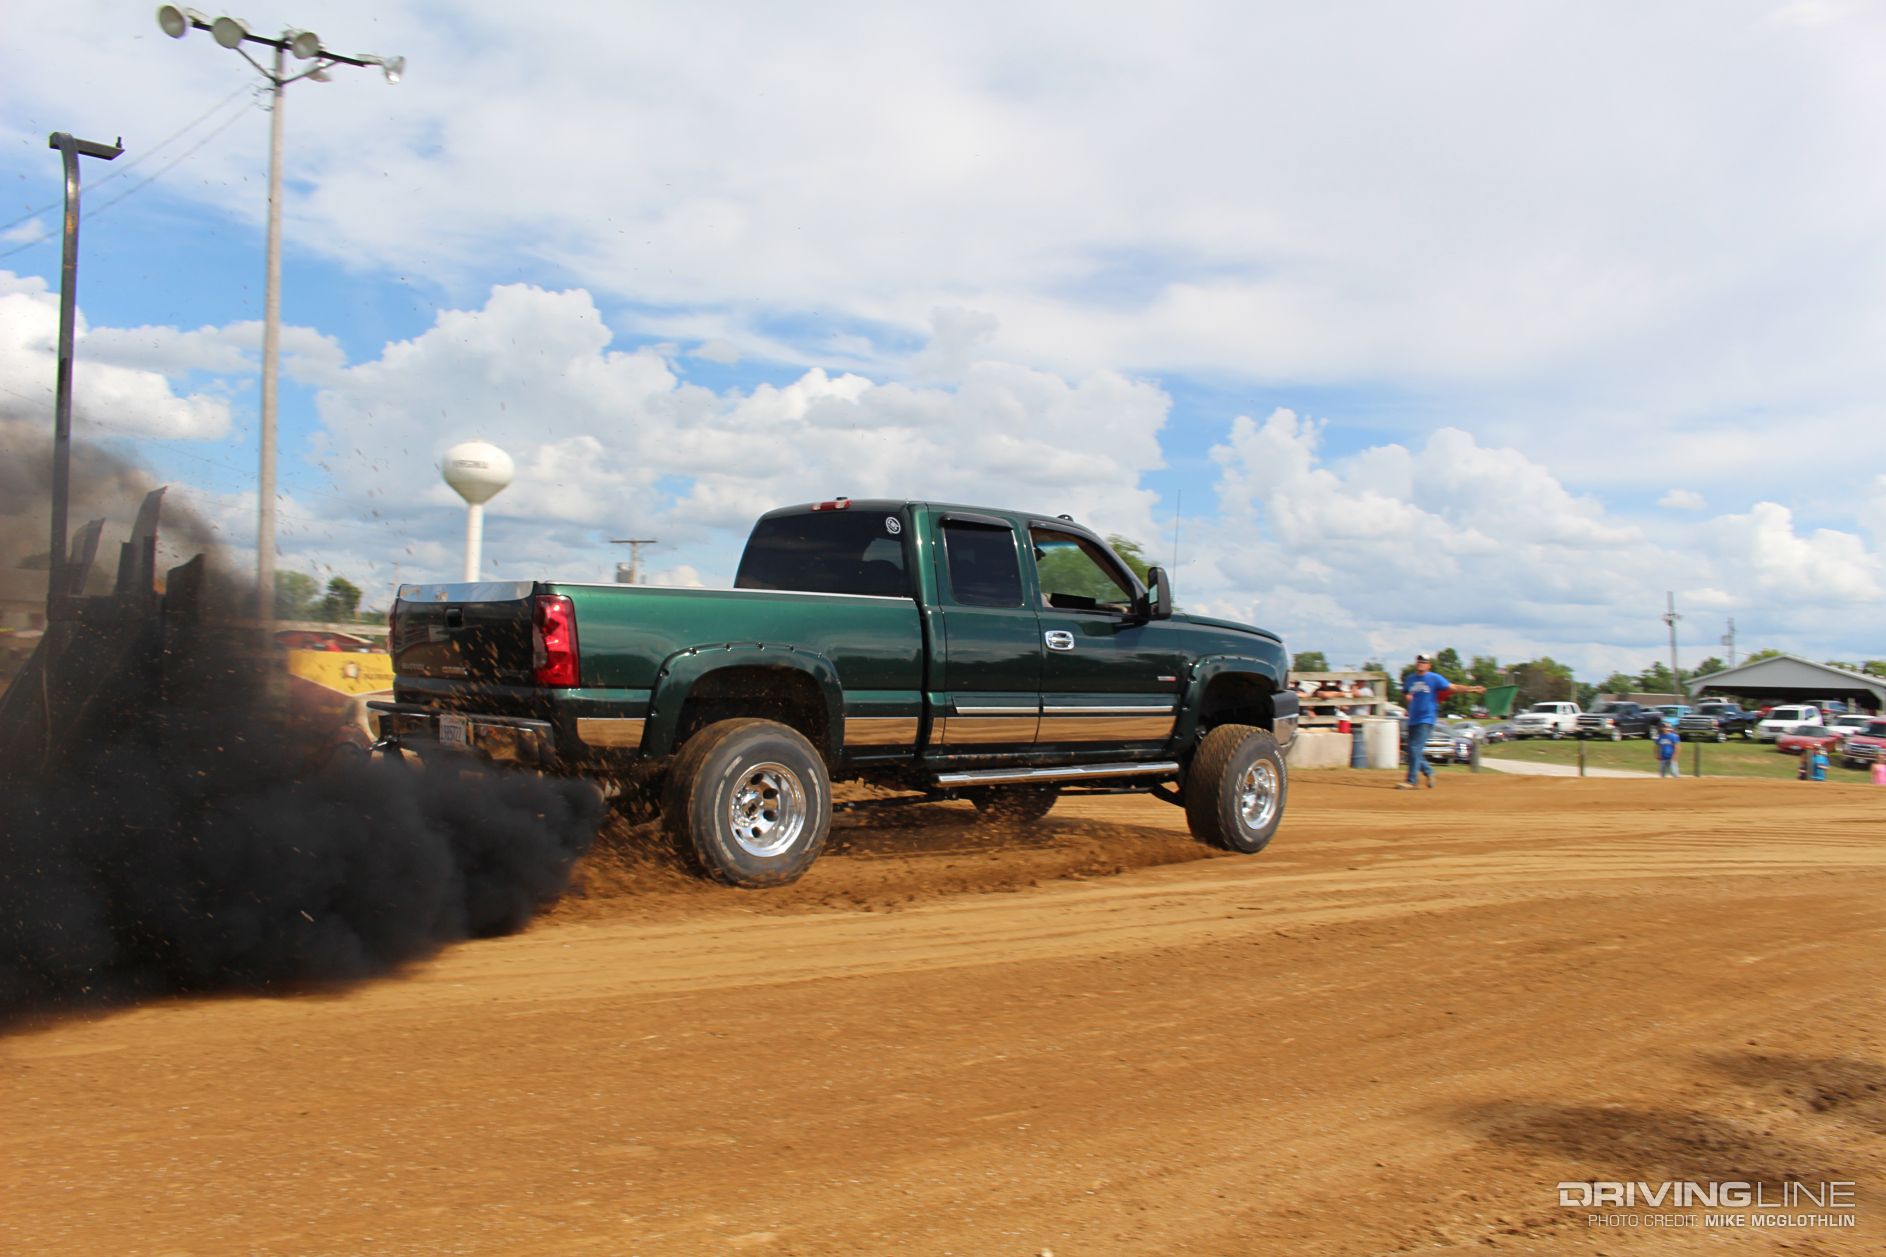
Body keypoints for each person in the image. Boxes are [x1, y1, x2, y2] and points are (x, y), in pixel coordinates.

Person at [1397, 653, 1486, 790]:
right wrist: (1409, 698)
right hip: (1413, 719)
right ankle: (1428, 771)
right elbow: (1405, 691)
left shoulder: (1434, 678)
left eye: (1424, 662)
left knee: (1415, 749)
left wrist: (1472, 689)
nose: (1421, 664)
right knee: (1412, 751)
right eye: (1419, 661)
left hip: (1426, 719)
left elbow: (1453, 688)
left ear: (1429, 665)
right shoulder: (1410, 679)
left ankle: (1412, 781)